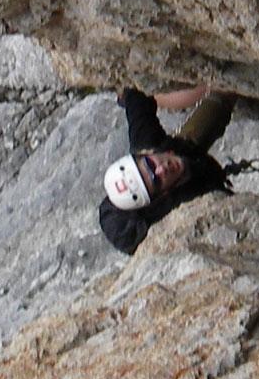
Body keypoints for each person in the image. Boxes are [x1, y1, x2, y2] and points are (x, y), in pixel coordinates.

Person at [99, 85, 236, 254]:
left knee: (223, 92)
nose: (161, 169)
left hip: (184, 149)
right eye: (156, 181)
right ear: (163, 194)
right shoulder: (189, 204)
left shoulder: (147, 142)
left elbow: (136, 90)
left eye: (150, 164)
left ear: (146, 153)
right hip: (199, 178)